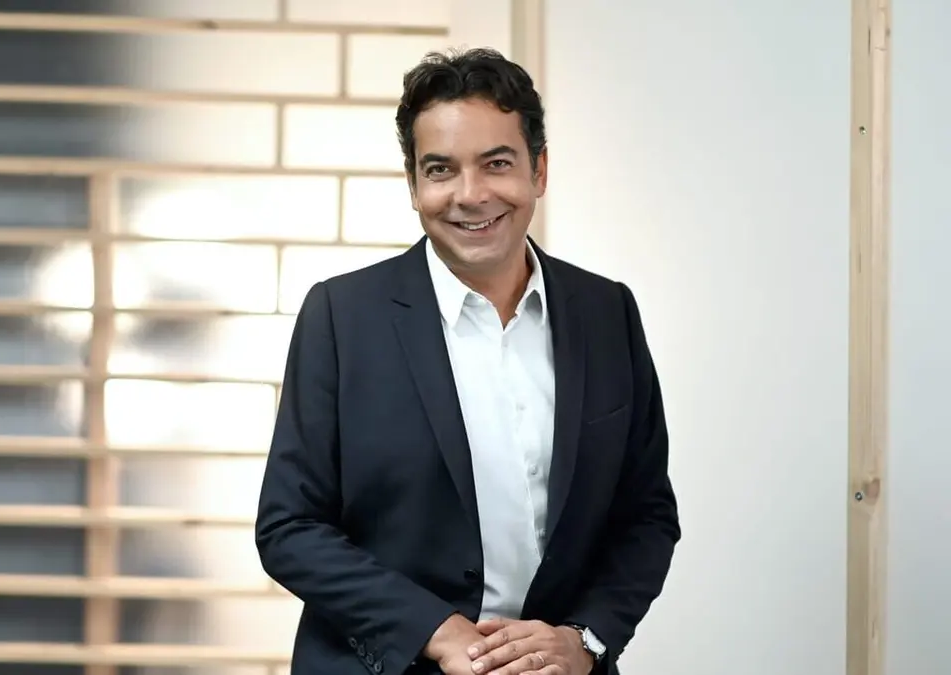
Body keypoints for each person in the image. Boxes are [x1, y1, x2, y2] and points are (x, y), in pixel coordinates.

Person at [254, 47, 680, 675]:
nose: (471, 195)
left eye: (497, 164)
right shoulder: (342, 316)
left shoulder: (606, 312)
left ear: (539, 170)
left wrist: (586, 639)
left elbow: (647, 515)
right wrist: (433, 630)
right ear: (413, 184)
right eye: (441, 169)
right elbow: (289, 527)